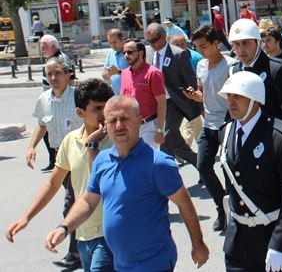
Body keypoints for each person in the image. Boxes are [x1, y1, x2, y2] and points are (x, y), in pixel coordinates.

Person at [43, 95, 209, 272]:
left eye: (125, 119)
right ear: (105, 125)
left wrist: (197, 243)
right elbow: (87, 201)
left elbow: (184, 203)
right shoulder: (102, 160)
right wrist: (64, 227)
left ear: (139, 120)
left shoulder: (158, 163)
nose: (119, 126)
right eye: (112, 121)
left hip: (154, 264)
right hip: (121, 264)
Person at [7, 79, 114, 272]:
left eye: (107, 108)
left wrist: (93, 146)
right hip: (83, 234)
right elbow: (53, 183)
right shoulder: (70, 141)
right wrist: (26, 217)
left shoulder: (117, 141)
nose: (103, 115)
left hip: (110, 235)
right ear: (80, 113)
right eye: (97, 109)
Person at [217, 72, 282, 272]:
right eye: (229, 97)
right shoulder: (225, 133)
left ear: (255, 100)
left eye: (237, 96)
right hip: (239, 243)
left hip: (273, 237)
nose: (231, 102)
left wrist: (281, 243)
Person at [26, 56, 82, 269]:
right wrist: (32, 147)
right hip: (62, 161)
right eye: (49, 74)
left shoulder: (78, 96)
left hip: (82, 157)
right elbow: (41, 124)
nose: (53, 78)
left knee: (72, 205)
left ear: (68, 74)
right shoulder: (44, 99)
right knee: (76, 203)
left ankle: (75, 252)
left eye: (57, 73)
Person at [191, 24, 237, 233]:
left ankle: (233, 211)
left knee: (228, 169)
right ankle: (221, 206)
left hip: (227, 123)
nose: (201, 50)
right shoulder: (200, 65)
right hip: (208, 123)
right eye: (198, 47)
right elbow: (203, 92)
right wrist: (196, 97)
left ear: (216, 44)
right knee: (203, 166)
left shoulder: (231, 64)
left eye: (204, 46)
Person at [229, 18, 282, 132]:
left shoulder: (278, 68)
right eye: (236, 44)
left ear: (257, 42)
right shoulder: (234, 71)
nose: (241, 49)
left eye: (245, 43)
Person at [145, 23, 201, 168]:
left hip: (175, 102)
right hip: (158, 103)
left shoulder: (178, 54)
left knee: (167, 136)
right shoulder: (150, 54)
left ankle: (167, 174)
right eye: (149, 42)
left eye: (155, 40)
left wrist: (190, 90)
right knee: (173, 140)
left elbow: (191, 80)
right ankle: (199, 163)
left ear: (164, 37)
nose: (153, 44)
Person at [119, 39, 167, 148]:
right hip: (130, 126)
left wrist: (160, 129)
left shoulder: (153, 73)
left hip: (149, 126)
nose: (126, 55)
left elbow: (162, 103)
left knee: (147, 162)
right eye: (124, 53)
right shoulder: (124, 74)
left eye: (130, 52)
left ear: (141, 53)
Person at [101, 28, 127, 95]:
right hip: (116, 96)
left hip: (130, 96)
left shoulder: (130, 52)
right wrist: (106, 74)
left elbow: (135, 74)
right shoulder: (111, 53)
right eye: (110, 43)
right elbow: (104, 72)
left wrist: (119, 72)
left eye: (115, 42)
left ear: (122, 40)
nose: (112, 46)